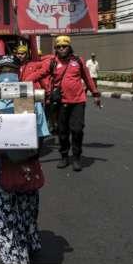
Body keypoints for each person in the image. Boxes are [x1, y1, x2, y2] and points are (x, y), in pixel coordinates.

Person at [0, 55, 50, 264]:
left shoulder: (25, 99)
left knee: (18, 213)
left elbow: (40, 137)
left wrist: (18, 147)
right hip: (5, 170)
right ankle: (9, 259)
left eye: (10, 70)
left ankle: (20, 251)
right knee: (9, 215)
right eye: (4, 70)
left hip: (16, 169)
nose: (7, 76)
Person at [31, 35, 101, 171]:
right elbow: (40, 73)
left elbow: (87, 78)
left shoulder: (78, 61)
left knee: (77, 130)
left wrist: (96, 94)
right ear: (56, 48)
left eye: (64, 46)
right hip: (60, 102)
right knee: (62, 132)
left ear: (69, 47)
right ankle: (64, 156)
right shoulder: (52, 62)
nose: (62, 49)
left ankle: (76, 157)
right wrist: (21, 81)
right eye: (59, 47)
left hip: (78, 101)